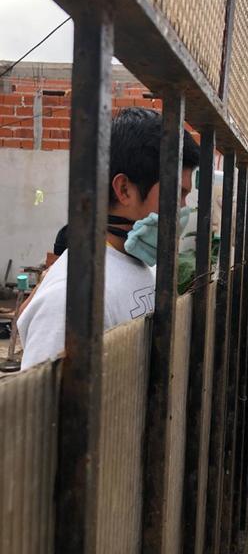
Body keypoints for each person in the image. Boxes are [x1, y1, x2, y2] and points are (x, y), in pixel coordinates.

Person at [18, 107, 199, 370]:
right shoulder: (71, 301)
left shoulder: (147, 264)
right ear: (124, 189)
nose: (183, 209)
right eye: (176, 194)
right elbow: (42, 410)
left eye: (185, 196)